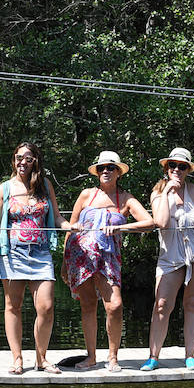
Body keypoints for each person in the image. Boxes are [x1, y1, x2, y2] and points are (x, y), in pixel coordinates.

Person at [0, 142, 66, 374]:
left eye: (28, 158)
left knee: (46, 307)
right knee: (13, 306)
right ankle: (17, 358)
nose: (22, 162)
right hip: (13, 254)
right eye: (19, 157)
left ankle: (41, 359)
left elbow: (58, 218)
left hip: (41, 253)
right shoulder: (4, 189)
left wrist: (72, 226)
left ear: (35, 161)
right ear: (14, 160)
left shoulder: (45, 186)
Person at [64, 151, 154, 372]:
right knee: (87, 305)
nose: (106, 171)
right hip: (80, 257)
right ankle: (91, 357)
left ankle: (113, 357)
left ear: (118, 172)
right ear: (97, 172)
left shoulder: (126, 198)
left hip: (108, 259)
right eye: (102, 168)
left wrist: (121, 227)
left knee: (114, 306)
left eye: (111, 167)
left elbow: (149, 222)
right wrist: (64, 263)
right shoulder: (86, 195)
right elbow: (70, 227)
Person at [143, 147, 194, 371]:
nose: (177, 169)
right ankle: (153, 357)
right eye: (173, 165)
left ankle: (190, 356)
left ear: (188, 170)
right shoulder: (158, 193)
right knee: (161, 305)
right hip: (171, 257)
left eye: (182, 166)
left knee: (193, 303)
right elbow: (161, 222)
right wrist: (168, 191)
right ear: (166, 168)